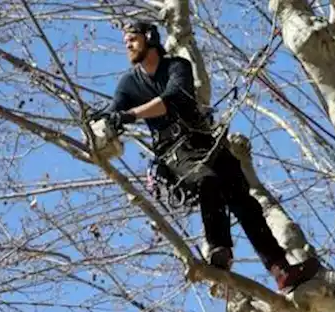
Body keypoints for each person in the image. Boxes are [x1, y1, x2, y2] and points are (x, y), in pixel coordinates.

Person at [100, 20, 321, 291]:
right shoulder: (129, 83)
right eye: (126, 43)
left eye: (133, 39)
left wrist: (130, 114)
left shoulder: (177, 66)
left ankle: (281, 269)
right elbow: (114, 111)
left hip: (204, 142)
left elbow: (174, 99)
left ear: (149, 38)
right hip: (174, 149)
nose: (129, 46)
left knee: (246, 203)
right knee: (207, 181)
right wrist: (104, 121)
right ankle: (218, 249)